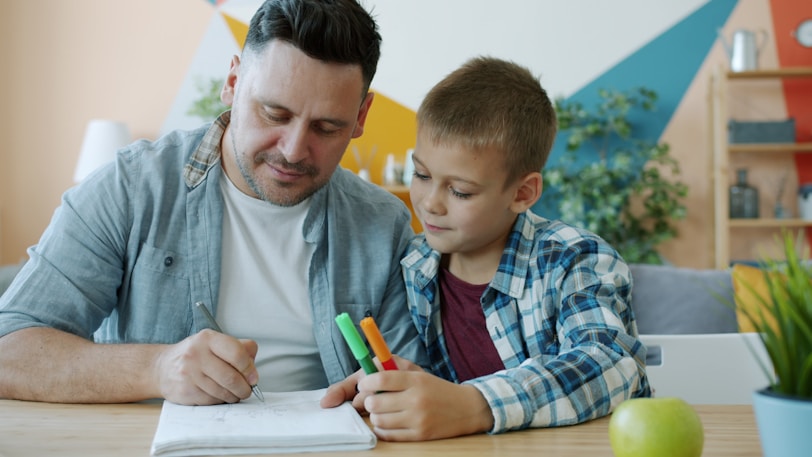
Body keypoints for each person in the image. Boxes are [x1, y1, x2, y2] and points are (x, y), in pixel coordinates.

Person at [0, 0, 427, 405]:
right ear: (233, 83)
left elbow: (416, 377)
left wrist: (405, 392)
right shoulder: (131, 187)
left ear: (361, 117)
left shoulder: (383, 223)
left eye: (327, 127)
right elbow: (9, 350)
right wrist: (156, 368)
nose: (295, 150)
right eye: (274, 114)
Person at [323, 57, 650, 441]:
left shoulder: (574, 259)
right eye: (422, 175)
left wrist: (474, 403)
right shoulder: (415, 266)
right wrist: (411, 388)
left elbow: (611, 364)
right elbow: (446, 401)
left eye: (460, 191)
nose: (429, 203)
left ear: (522, 193)